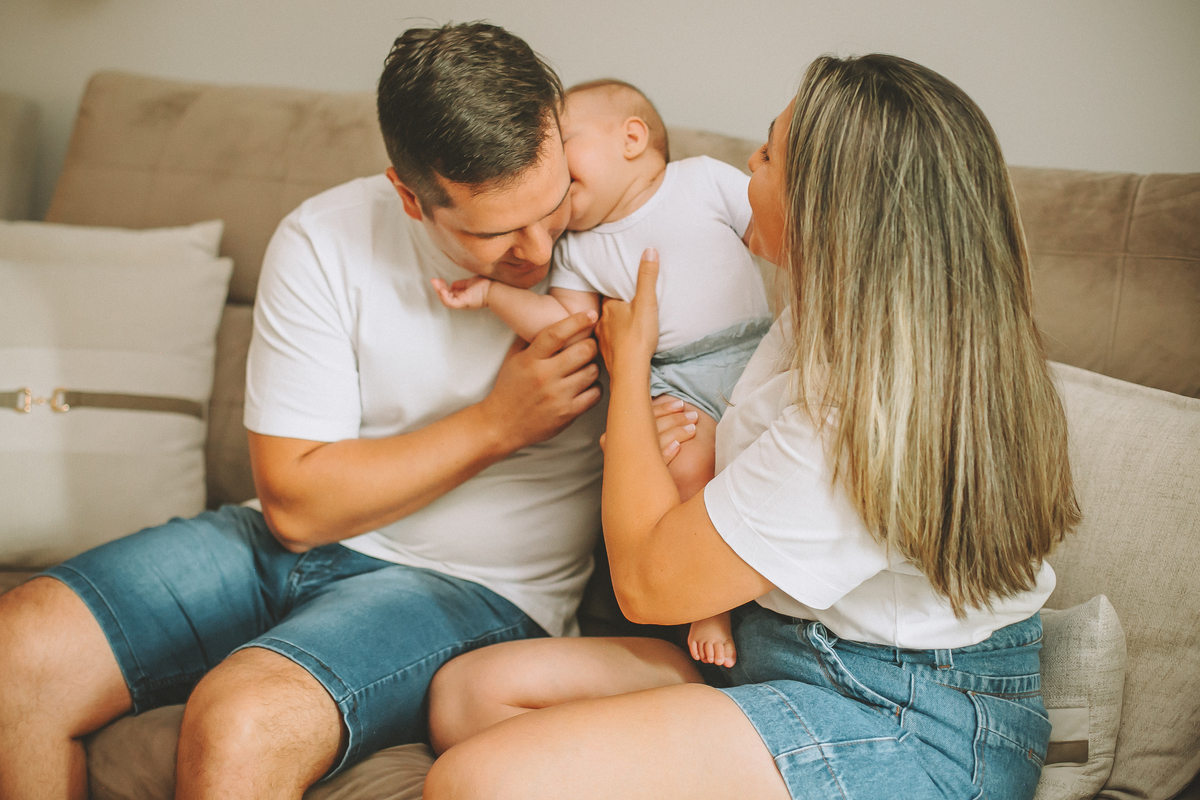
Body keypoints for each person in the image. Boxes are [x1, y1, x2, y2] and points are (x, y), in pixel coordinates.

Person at [0, 22, 700, 800]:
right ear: (409, 196)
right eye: (495, 232)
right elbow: (296, 507)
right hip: (278, 545)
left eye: (553, 201)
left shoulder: (625, 234)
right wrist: (499, 423)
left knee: (241, 720)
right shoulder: (324, 238)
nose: (537, 251)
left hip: (472, 584)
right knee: (18, 650)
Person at [423, 53, 1082, 800]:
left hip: (901, 713)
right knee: (465, 700)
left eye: (768, 155)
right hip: (771, 651)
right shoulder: (826, 319)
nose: (748, 164)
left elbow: (645, 585)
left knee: (474, 784)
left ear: (826, 206)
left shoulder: (861, 416)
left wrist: (629, 365)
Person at [431, 78, 772, 669]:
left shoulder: (702, 180)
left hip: (754, 351)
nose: (552, 164)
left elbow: (781, 234)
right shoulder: (576, 247)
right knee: (684, 466)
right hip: (670, 379)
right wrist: (492, 294)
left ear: (631, 139)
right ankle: (709, 606)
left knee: (761, 461)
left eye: (563, 143)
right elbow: (565, 323)